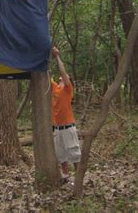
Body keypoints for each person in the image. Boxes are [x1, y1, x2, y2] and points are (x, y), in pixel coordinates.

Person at [51, 46, 81, 183]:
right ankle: (65, 176)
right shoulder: (56, 88)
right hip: (57, 129)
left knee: (74, 154)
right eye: (60, 78)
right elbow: (45, 75)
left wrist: (57, 56)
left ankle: (79, 178)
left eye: (64, 77)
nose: (61, 77)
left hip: (68, 128)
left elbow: (63, 73)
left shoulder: (68, 90)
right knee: (61, 154)